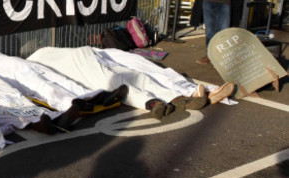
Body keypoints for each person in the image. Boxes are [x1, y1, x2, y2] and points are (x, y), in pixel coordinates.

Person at [27, 46, 235, 120]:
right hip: (82, 58)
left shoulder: (33, 60)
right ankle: (170, 98)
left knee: (122, 77)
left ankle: (163, 99)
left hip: (81, 61)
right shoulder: (35, 58)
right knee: (126, 76)